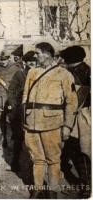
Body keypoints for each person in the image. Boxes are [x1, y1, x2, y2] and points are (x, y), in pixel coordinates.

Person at [22, 42, 78, 198]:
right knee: (37, 159)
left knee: (53, 159)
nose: (35, 56)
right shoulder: (32, 72)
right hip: (31, 123)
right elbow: (25, 97)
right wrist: (24, 119)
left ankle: (53, 190)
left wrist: (67, 126)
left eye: (37, 53)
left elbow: (71, 102)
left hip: (52, 123)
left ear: (47, 54)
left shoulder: (64, 74)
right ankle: (38, 189)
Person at [59, 46, 91, 198]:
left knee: (80, 153)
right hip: (84, 116)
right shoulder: (87, 69)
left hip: (78, 119)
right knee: (80, 153)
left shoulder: (73, 74)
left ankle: (85, 189)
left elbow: (74, 99)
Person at [7, 51, 36, 172]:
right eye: (30, 62)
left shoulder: (40, 73)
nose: (33, 64)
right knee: (19, 139)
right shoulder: (20, 74)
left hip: (35, 112)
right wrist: (14, 107)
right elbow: (11, 91)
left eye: (35, 62)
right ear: (25, 63)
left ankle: (34, 166)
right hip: (20, 111)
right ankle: (15, 163)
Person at [0, 49, 21, 148]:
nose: (3, 61)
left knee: (13, 119)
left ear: (9, 58)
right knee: (0, 119)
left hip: (13, 98)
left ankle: (15, 140)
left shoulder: (15, 68)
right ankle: (3, 140)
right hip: (0, 98)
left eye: (5, 59)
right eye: (1, 59)